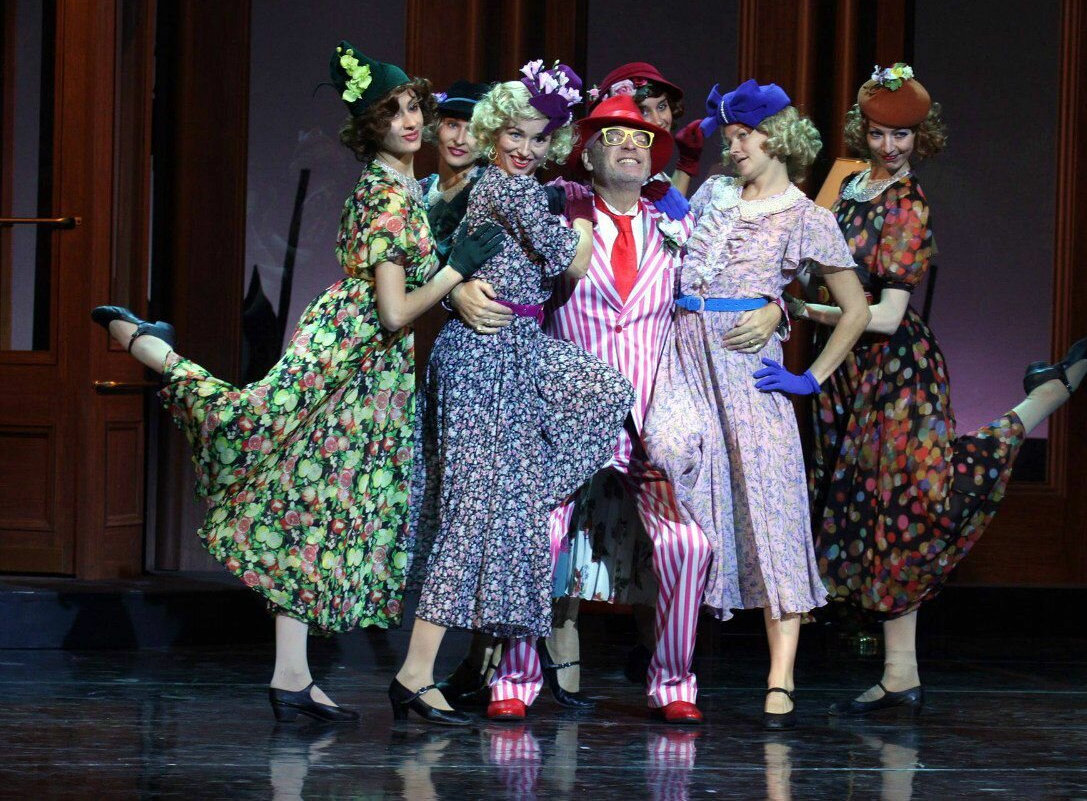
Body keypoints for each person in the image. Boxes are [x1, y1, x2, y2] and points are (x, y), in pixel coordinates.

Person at [89, 41, 502, 722]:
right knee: (256, 428)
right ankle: (144, 344)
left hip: (372, 367)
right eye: (392, 112)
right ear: (370, 129)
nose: (408, 121)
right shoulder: (386, 196)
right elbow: (396, 312)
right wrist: (456, 270)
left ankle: (291, 676)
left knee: (316, 499)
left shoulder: (406, 187)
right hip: (351, 353)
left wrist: (450, 270)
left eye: (412, 108)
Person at [789, 63, 1087, 716]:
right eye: (880, 133)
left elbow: (886, 316)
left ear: (921, 136)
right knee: (874, 514)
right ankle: (900, 673)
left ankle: (1042, 400)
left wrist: (809, 312)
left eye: (902, 135)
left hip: (897, 373)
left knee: (915, 502)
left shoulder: (908, 204)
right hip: (846, 373)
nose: (890, 146)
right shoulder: (848, 185)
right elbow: (811, 260)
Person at [461, 95, 774, 724]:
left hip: (646, 422)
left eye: (641, 138)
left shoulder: (679, 224)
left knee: (688, 545)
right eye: (613, 137)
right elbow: (487, 260)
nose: (630, 145)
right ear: (587, 153)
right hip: (565, 413)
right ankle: (516, 677)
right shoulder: (557, 210)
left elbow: (738, 279)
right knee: (537, 534)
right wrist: (461, 289)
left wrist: (773, 306)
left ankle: (674, 681)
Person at [390, 60, 634, 727]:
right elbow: (568, 259)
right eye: (515, 134)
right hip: (481, 357)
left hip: (518, 348)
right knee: (469, 516)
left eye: (538, 138)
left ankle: (520, 496)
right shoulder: (509, 189)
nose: (524, 147)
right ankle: (414, 672)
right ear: (496, 132)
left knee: (603, 392)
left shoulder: (517, 185)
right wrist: (581, 229)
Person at [643, 79, 871, 730]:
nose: (736, 147)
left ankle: (780, 675)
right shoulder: (714, 193)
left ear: (780, 139)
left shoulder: (805, 216)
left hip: (749, 375)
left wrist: (811, 377)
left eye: (746, 137)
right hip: (684, 360)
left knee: (772, 511)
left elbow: (855, 310)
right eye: (732, 137)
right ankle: (671, 659)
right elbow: (668, 238)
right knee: (676, 482)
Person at [590, 62, 705, 214]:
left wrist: (686, 164)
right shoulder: (618, 166)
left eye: (662, 107)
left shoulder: (653, 172)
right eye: (644, 111)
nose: (658, 121)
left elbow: (671, 214)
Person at [420, 79, 490, 251]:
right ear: (436, 126)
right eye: (452, 125)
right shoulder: (418, 189)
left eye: (473, 130)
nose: (459, 140)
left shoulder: (486, 194)